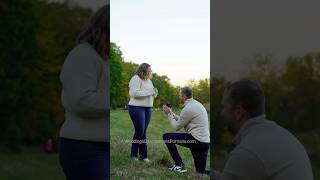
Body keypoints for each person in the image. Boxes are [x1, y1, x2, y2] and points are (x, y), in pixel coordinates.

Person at [213, 80, 314, 180]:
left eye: (223, 107)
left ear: (239, 112)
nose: (221, 113)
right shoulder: (283, 136)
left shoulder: (246, 152)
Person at [58, 4, 109, 180]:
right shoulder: (83, 55)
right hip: (86, 148)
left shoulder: (109, 60)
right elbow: (82, 101)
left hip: (107, 147)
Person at [162, 87, 210, 175]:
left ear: (184, 96)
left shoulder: (188, 108)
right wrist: (171, 113)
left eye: (180, 95)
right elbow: (182, 119)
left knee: (167, 137)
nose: (179, 96)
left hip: (196, 140)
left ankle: (178, 164)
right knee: (200, 172)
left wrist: (169, 114)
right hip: (205, 143)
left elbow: (176, 126)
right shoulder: (197, 104)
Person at [128, 63, 158, 162]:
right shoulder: (136, 79)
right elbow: (134, 93)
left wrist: (155, 93)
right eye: (149, 71)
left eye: (151, 71)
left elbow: (151, 93)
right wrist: (150, 92)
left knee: (143, 132)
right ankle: (133, 154)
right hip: (136, 107)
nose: (150, 72)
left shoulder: (149, 80)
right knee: (140, 130)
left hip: (148, 108)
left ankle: (143, 155)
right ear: (143, 71)